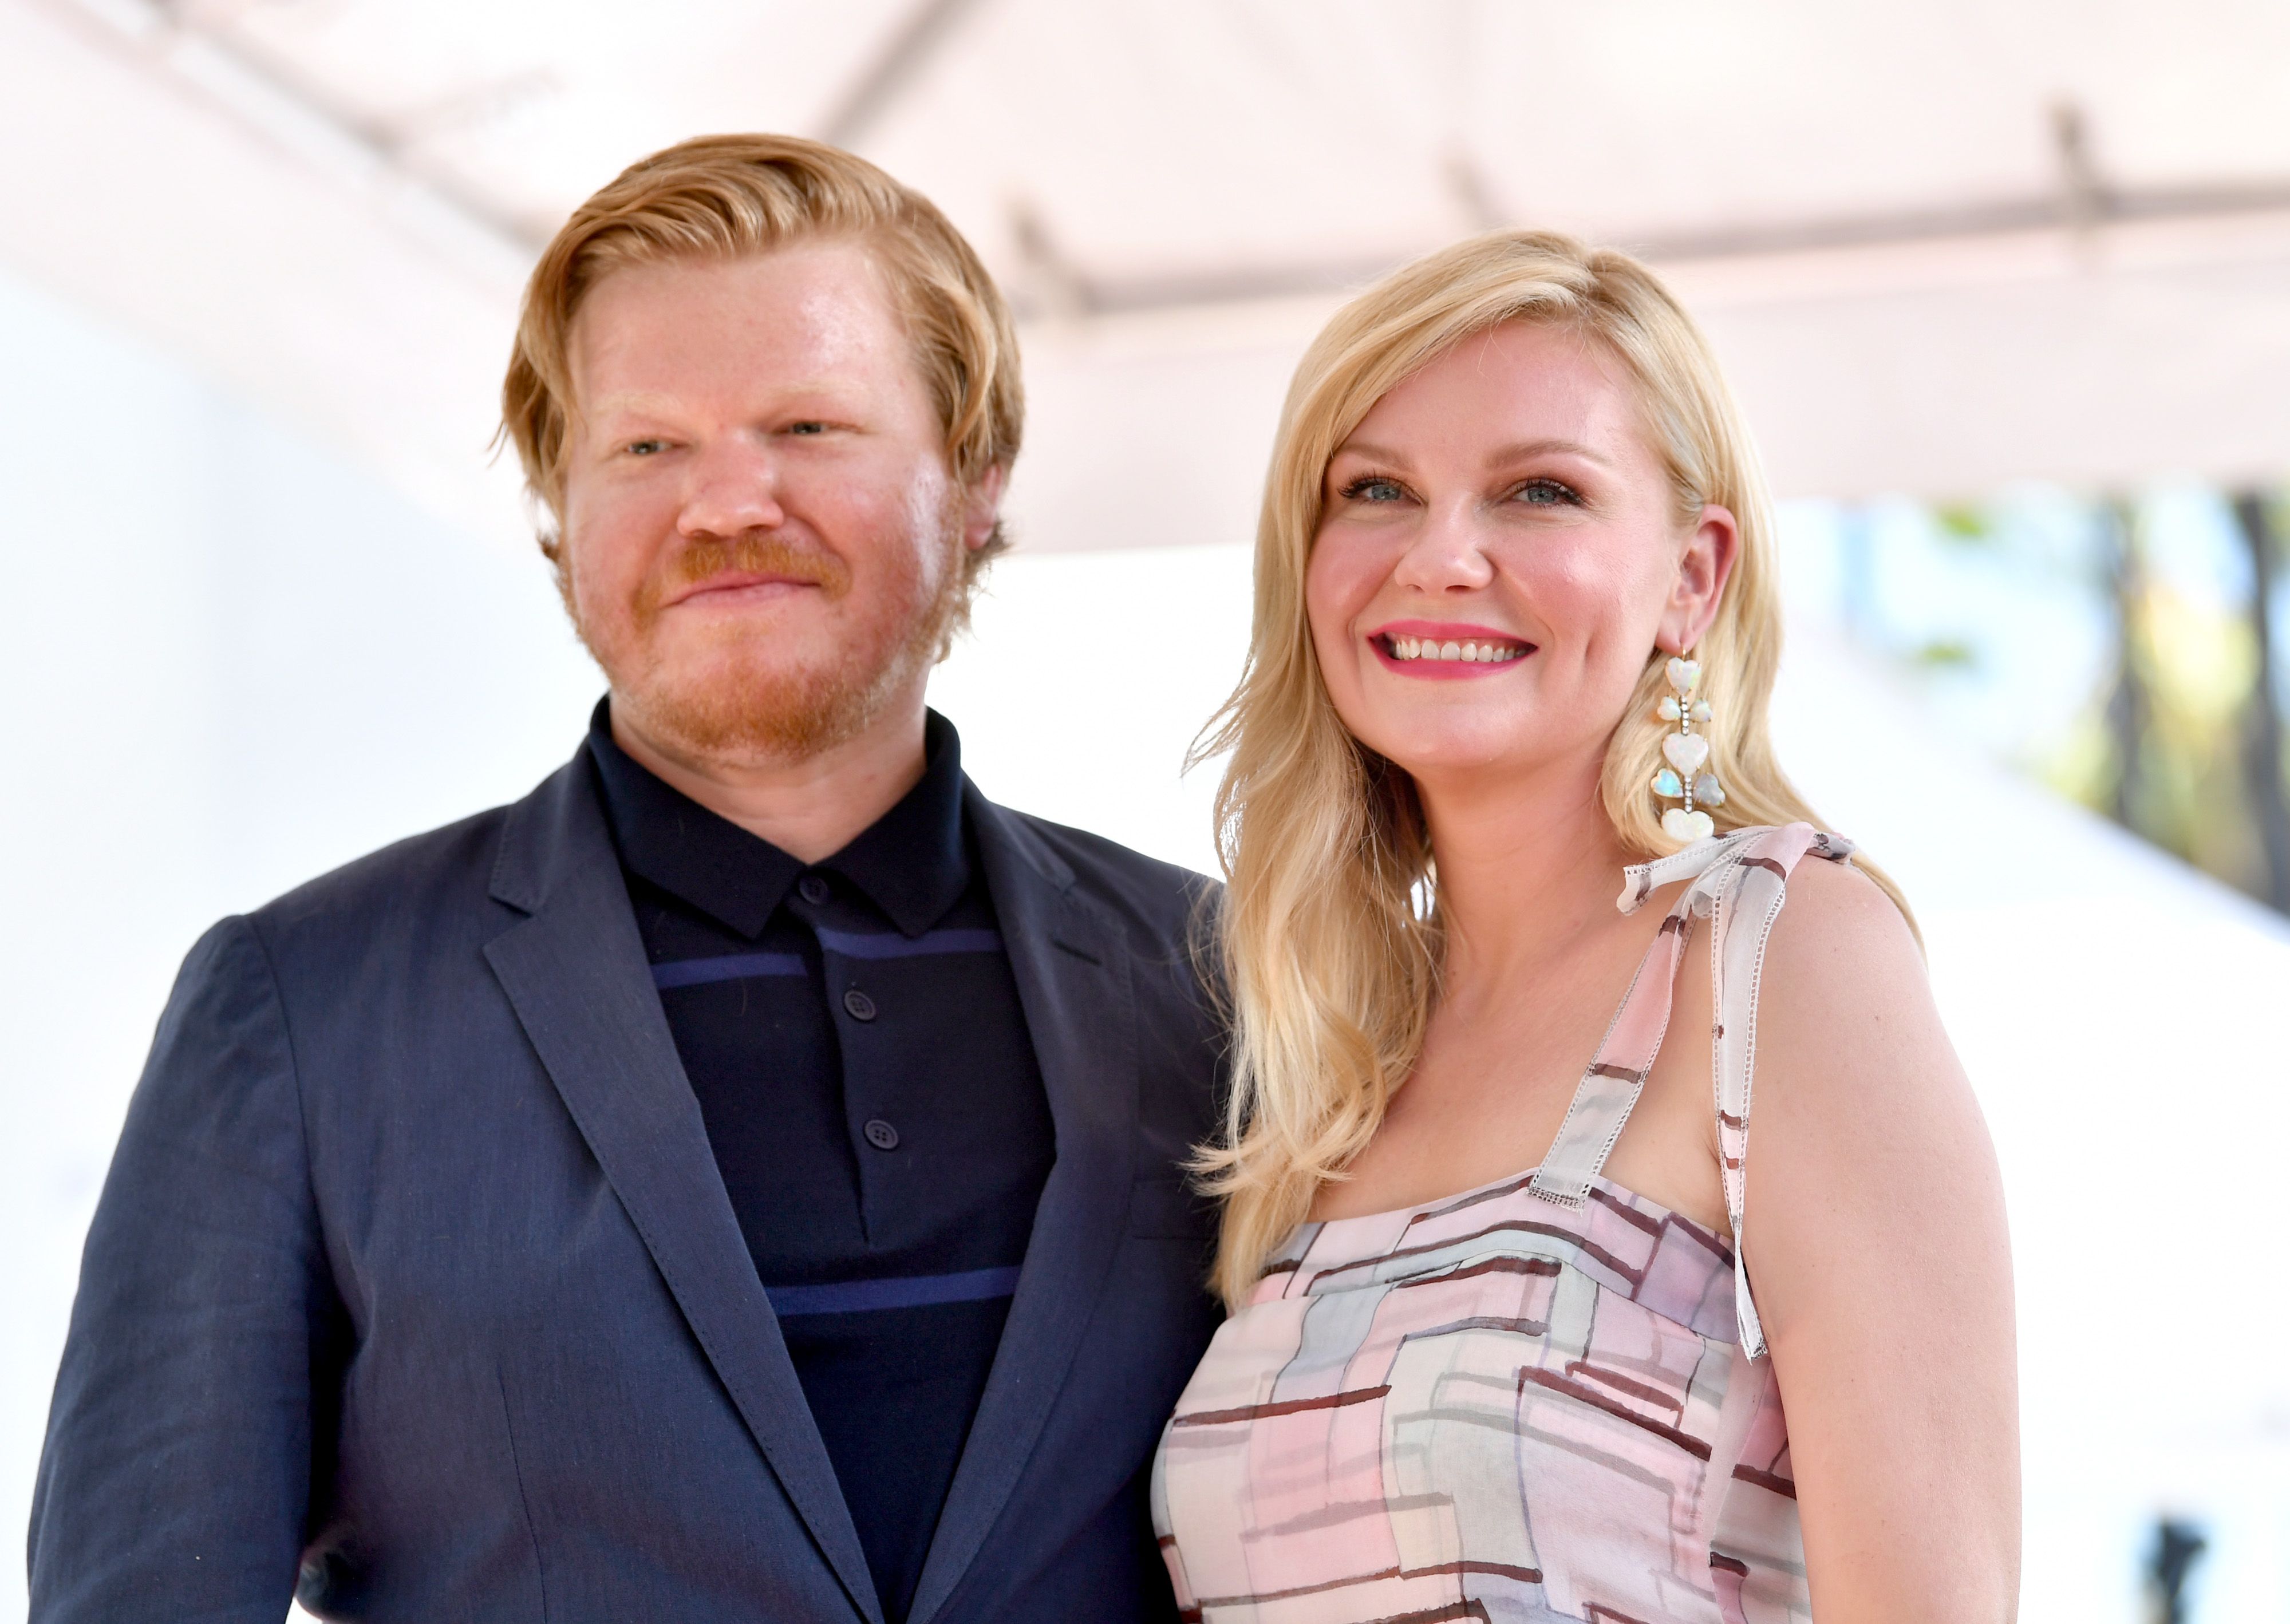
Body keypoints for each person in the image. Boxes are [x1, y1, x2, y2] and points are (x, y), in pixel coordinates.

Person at [30, 134, 1223, 1624]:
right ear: (556, 509)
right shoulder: (298, 1011)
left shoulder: (1223, 979)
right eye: (648, 445)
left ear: (975, 477)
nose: (728, 502)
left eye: (807, 423)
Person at [1152, 232, 2019, 1622]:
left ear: (1691, 579)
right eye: (1375, 490)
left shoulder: (1776, 952)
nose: (1440, 556)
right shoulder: (1326, 1057)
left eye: (1537, 492)